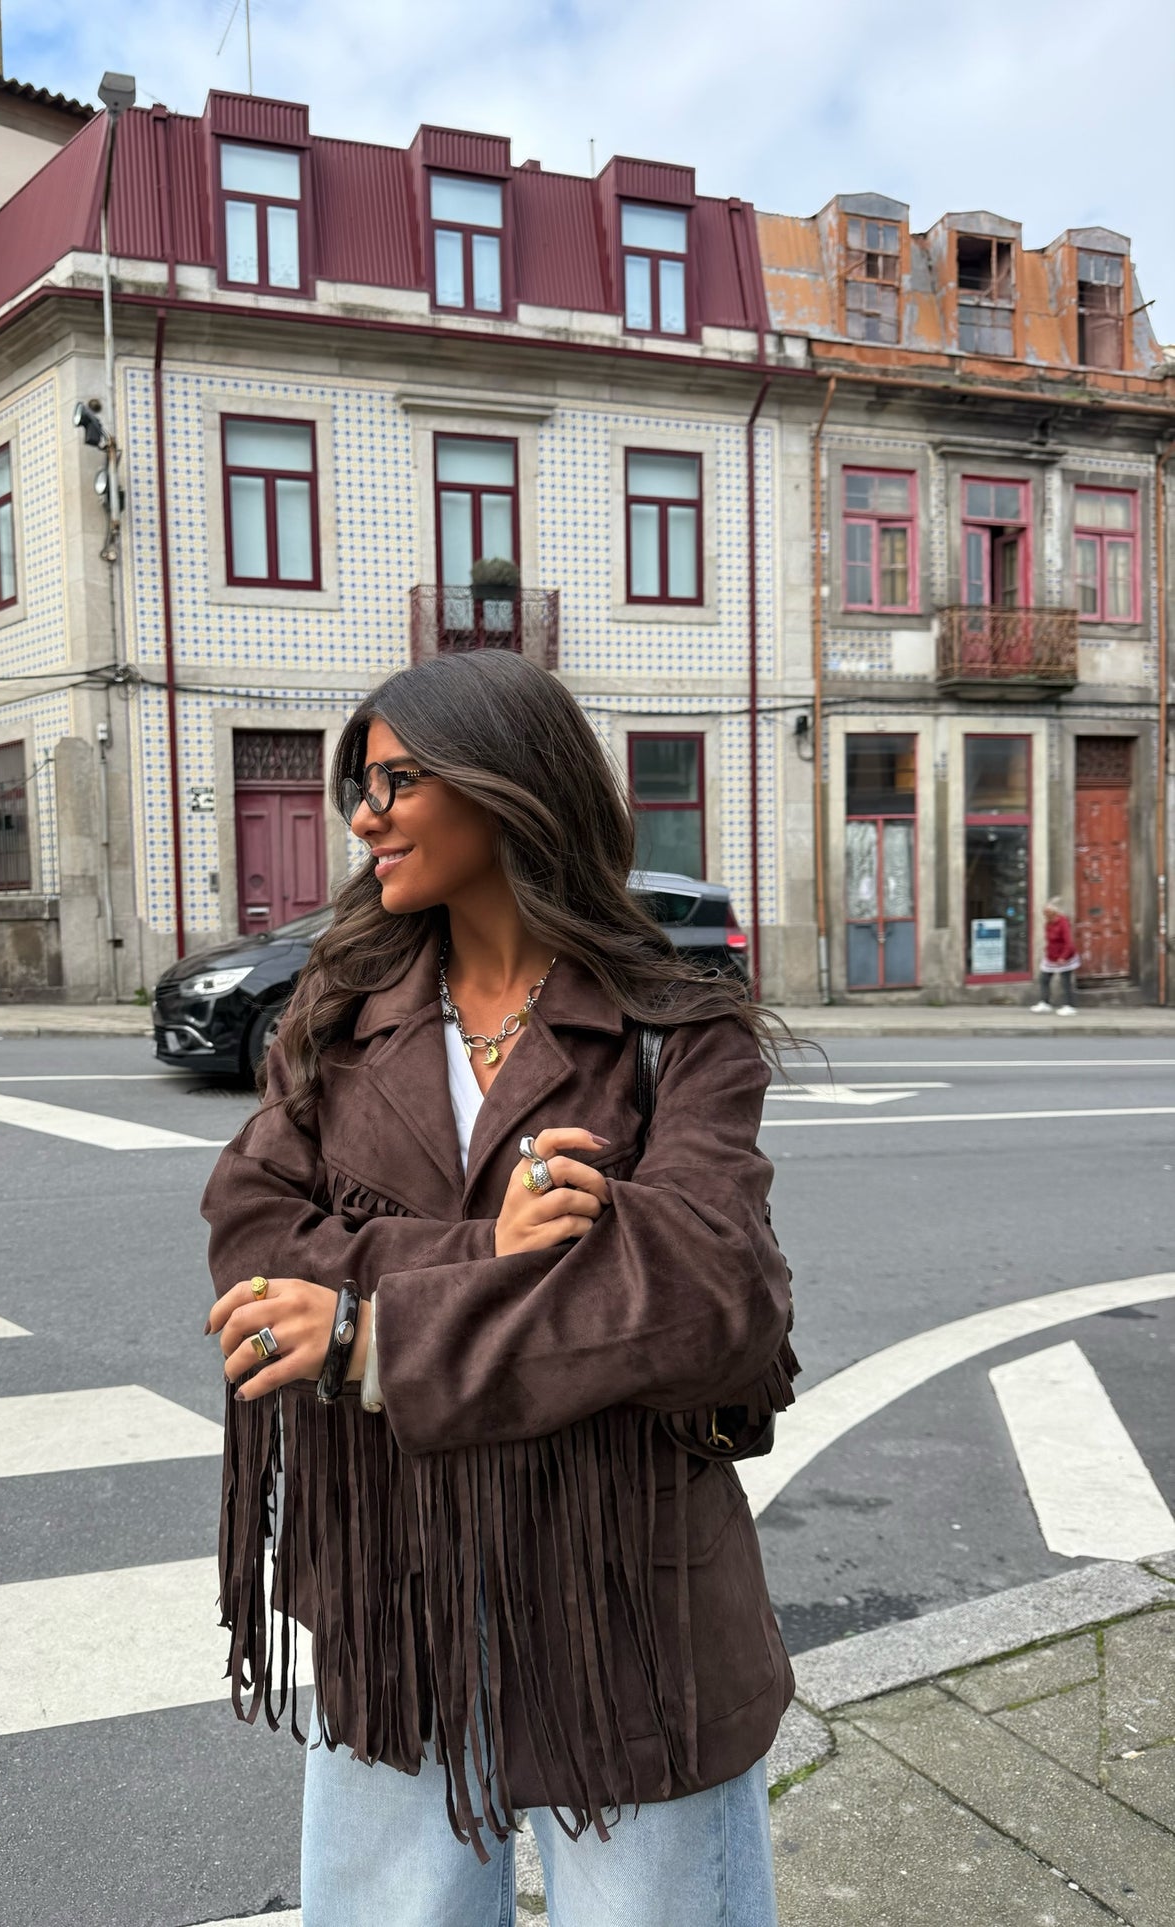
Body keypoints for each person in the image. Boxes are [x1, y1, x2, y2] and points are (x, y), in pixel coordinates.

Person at [203, 651, 798, 1927]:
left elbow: (712, 1293)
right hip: (394, 1590)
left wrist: (371, 1335)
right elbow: (253, 1251)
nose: (364, 818)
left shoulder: (678, 1029)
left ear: (505, 785)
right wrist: (491, 1255)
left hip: (627, 1606)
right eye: (359, 786)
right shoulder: (335, 1016)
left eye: (397, 782)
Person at [1031, 898, 1079, 1014]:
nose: (1045, 915)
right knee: (1044, 978)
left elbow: (1068, 942)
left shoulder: (1063, 923)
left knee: (1065, 981)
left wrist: (1064, 956)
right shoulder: (1048, 923)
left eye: (1047, 912)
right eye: (1044, 913)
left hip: (1064, 956)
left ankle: (1069, 1005)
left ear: (1054, 912)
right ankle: (1045, 1002)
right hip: (1052, 956)